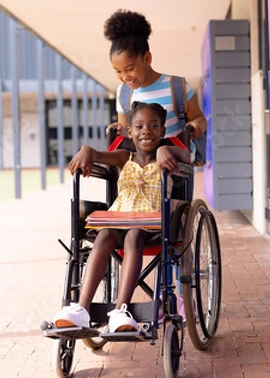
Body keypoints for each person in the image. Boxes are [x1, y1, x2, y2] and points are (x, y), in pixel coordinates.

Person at [54, 101, 190, 332]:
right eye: (139, 126)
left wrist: (164, 150)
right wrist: (87, 149)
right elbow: (97, 154)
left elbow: (187, 155)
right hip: (118, 218)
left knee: (133, 235)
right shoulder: (123, 157)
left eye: (154, 126)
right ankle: (81, 309)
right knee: (104, 235)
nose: (146, 131)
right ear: (130, 132)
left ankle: (120, 310)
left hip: (152, 223)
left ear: (163, 131)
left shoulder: (168, 155)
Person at [104, 9, 207, 143]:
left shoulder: (177, 86)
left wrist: (196, 126)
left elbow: (200, 119)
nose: (125, 77)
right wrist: (117, 129)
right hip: (143, 163)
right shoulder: (123, 93)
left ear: (147, 59)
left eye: (130, 69)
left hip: (177, 161)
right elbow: (126, 130)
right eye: (118, 71)